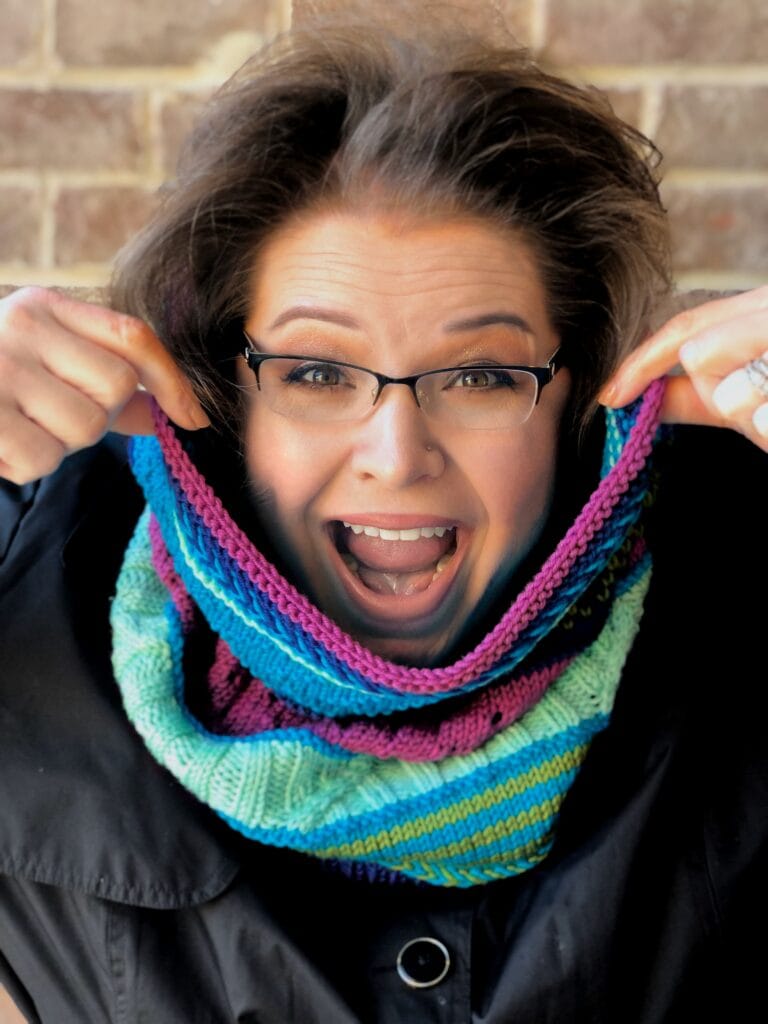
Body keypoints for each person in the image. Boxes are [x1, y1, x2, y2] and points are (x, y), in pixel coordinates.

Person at [0, 16, 766, 1024]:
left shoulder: (742, 586)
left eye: (485, 374)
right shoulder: (28, 589)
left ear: (582, 403)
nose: (398, 454)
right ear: (225, 400)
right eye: (316, 371)